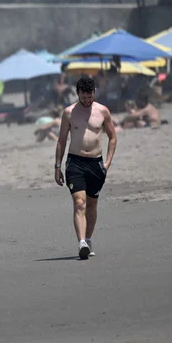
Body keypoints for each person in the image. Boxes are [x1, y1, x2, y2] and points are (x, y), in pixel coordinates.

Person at [54, 76, 117, 260]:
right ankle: (81, 242)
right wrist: (57, 166)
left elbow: (113, 137)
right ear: (78, 94)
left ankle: (88, 239)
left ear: (94, 93)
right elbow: (62, 140)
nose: (87, 101)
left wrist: (107, 163)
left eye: (90, 97)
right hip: (75, 162)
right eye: (84, 97)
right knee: (79, 203)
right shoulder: (69, 113)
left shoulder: (103, 111)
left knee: (91, 205)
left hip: (96, 163)